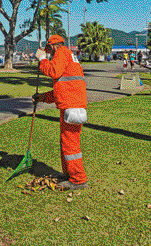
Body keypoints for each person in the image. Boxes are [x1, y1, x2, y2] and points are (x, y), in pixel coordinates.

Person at [33, 35, 88, 190]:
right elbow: (62, 89)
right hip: (71, 105)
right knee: (66, 142)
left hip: (72, 107)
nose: (49, 54)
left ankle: (78, 179)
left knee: (70, 144)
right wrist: (43, 97)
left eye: (48, 50)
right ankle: (69, 174)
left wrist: (42, 60)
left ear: (53, 46)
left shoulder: (62, 53)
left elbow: (54, 71)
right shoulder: (68, 56)